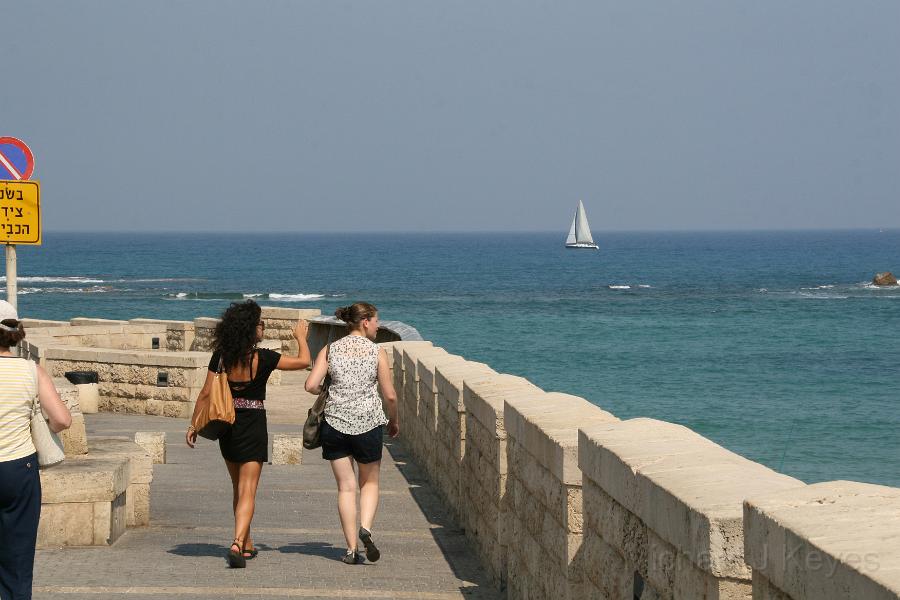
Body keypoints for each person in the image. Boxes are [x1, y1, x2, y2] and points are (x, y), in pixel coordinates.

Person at [186, 300, 310, 568]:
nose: (262, 327)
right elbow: (304, 361)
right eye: (259, 324)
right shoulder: (263, 358)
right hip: (253, 425)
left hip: (227, 426)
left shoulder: (221, 356)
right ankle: (236, 543)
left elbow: (206, 393)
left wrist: (194, 425)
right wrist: (301, 338)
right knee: (248, 490)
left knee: (237, 488)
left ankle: (247, 543)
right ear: (251, 329)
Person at [305, 302, 399, 565]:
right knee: (369, 483)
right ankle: (366, 528)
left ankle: (350, 550)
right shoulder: (376, 352)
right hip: (368, 424)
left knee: (346, 488)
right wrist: (394, 420)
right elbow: (390, 395)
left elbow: (310, 385)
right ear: (366, 321)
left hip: (334, 425)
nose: (379, 325)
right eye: (377, 320)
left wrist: (329, 391)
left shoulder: (331, 349)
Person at [0, 300, 71, 600]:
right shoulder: (31, 371)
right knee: (17, 559)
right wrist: (42, 428)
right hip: (19, 469)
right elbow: (62, 420)